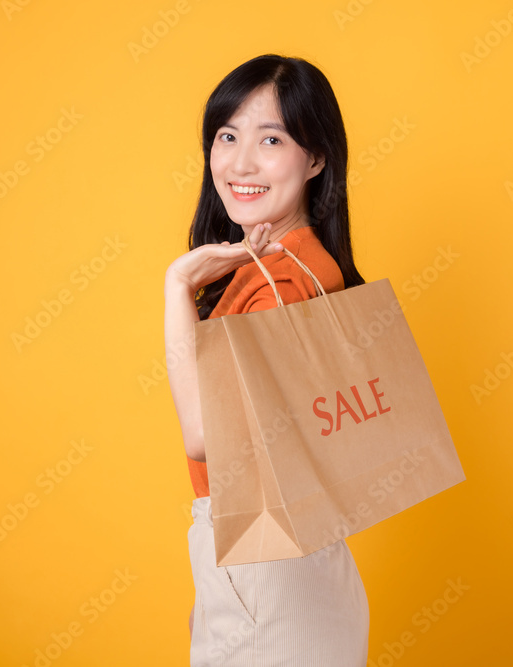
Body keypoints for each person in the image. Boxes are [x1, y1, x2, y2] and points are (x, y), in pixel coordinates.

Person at [164, 53, 369, 665]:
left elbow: (205, 437)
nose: (239, 162)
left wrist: (177, 287)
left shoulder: (277, 286)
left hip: (261, 551)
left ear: (316, 157)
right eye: (226, 136)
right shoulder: (306, 265)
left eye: (271, 138)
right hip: (306, 551)